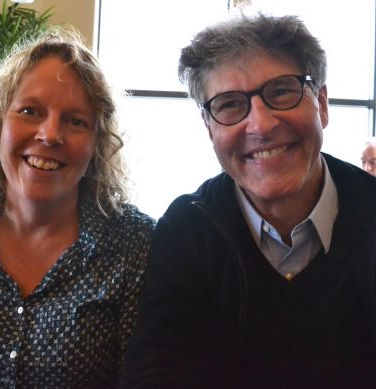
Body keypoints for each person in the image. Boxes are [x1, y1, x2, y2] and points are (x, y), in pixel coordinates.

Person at [119, 13, 376, 388]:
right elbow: (158, 369)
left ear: (321, 102)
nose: (261, 125)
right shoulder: (189, 230)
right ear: (209, 129)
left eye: (282, 91)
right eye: (229, 104)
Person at [0, 27, 155, 388]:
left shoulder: (135, 243)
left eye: (75, 121)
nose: (50, 135)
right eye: (30, 111)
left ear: (97, 144)